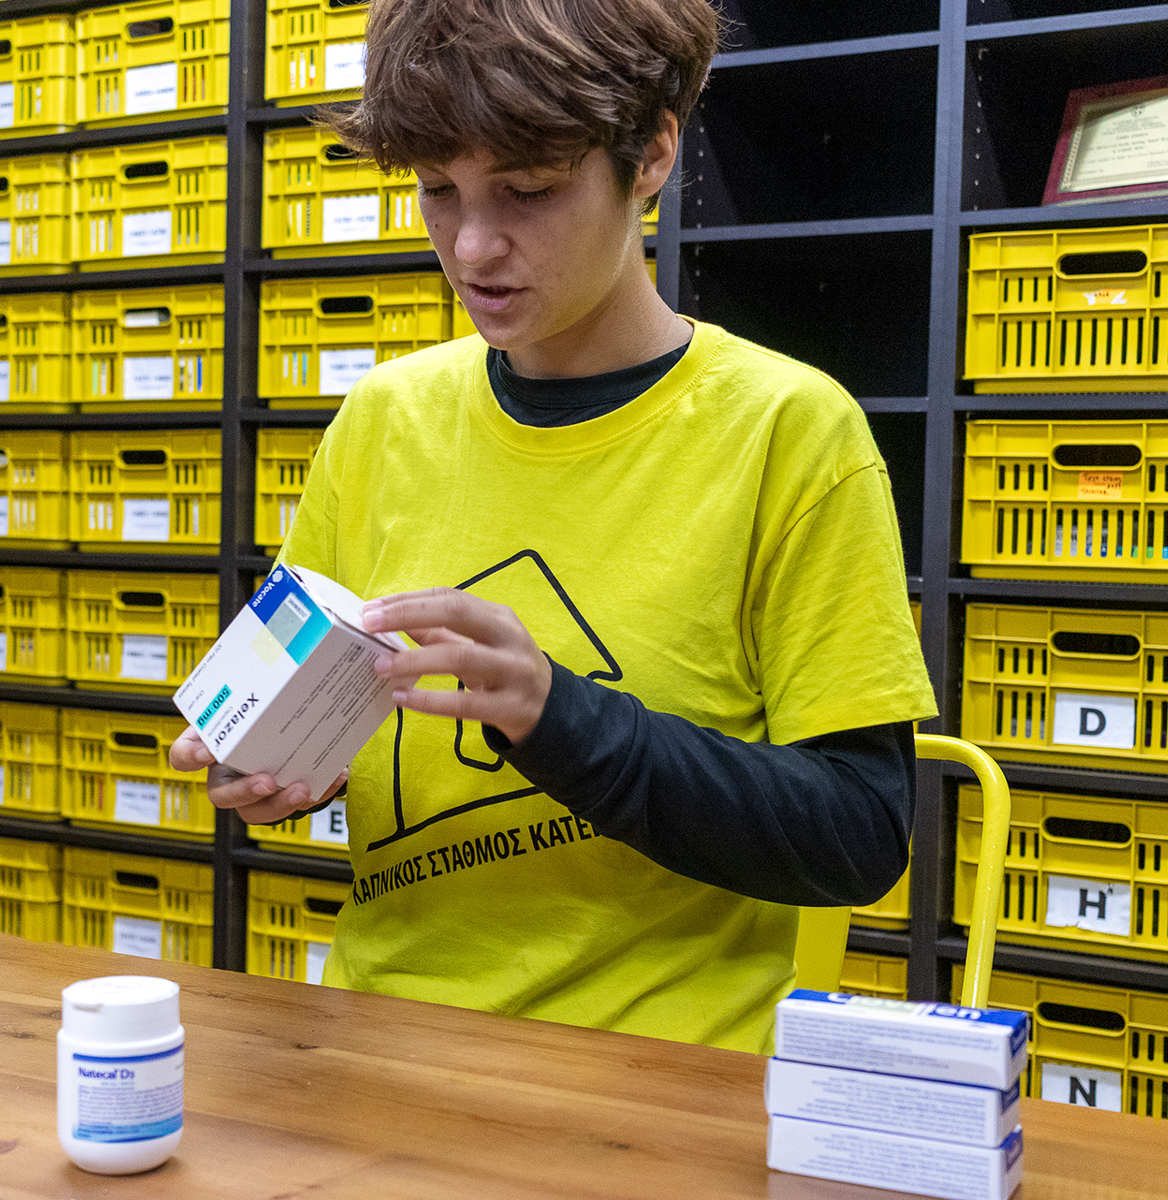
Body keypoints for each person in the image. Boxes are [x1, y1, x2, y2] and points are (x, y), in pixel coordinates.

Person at [171, 0, 935, 1053]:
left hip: (650, 1080)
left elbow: (859, 835)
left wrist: (559, 719)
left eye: (528, 191)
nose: (474, 245)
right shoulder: (383, 418)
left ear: (653, 152)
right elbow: (306, 713)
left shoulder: (790, 433)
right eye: (439, 189)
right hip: (372, 1043)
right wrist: (271, 758)